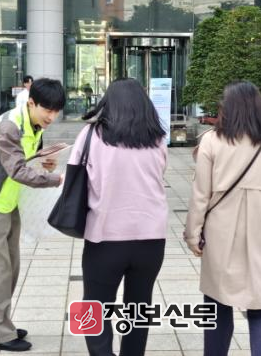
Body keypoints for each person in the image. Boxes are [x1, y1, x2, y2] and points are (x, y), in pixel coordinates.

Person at [184, 81, 261, 356]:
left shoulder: (212, 141)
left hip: (220, 233)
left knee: (217, 303)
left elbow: (200, 195)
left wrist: (193, 234)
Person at [0, 78, 66, 352]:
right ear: (31, 103)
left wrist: (45, 162)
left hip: (9, 201)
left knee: (10, 267)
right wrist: (56, 179)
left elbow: (26, 159)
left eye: (56, 111)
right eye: (48, 110)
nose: (52, 117)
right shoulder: (10, 126)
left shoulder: (34, 124)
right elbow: (17, 170)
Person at [68, 78, 168, 356]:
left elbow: (75, 175)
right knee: (139, 309)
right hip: (151, 239)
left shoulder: (92, 135)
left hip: (105, 237)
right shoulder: (157, 139)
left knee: (94, 307)